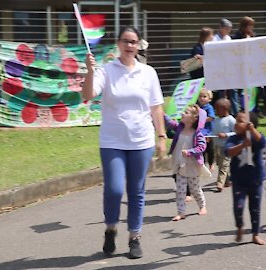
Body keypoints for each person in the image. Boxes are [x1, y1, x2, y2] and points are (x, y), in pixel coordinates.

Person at [82, 26, 167, 259]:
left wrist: (161, 136)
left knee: (136, 191)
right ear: (118, 44)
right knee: (114, 189)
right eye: (126, 41)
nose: (130, 46)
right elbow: (87, 95)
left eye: (134, 42)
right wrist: (90, 71)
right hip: (112, 140)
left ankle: (134, 237)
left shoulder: (148, 72)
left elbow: (156, 107)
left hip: (142, 140)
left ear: (139, 45)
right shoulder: (106, 70)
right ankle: (110, 228)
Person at [225, 111, 266, 245]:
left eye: (240, 121)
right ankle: (239, 226)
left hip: (256, 179)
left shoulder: (255, 137)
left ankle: (255, 234)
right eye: (236, 120)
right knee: (239, 206)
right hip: (239, 180)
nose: (236, 124)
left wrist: (252, 130)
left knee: (255, 207)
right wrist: (243, 145)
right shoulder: (233, 139)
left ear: (250, 124)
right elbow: (228, 152)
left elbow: (262, 143)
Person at [165, 104, 208, 221]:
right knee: (180, 189)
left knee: (195, 189)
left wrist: (190, 151)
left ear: (194, 119)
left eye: (186, 112)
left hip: (192, 165)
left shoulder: (197, 133)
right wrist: (160, 112)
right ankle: (181, 212)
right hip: (180, 164)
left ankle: (202, 205)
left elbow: (202, 147)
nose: (183, 113)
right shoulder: (179, 128)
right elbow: (169, 122)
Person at [211, 98, 236, 192]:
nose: (216, 111)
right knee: (219, 163)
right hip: (217, 145)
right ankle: (227, 180)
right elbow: (214, 130)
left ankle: (219, 184)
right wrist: (210, 136)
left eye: (218, 109)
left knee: (223, 165)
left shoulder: (230, 120)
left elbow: (236, 132)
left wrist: (226, 135)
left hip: (226, 146)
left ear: (225, 109)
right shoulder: (216, 119)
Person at [198, 88, 215, 171]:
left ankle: (211, 164)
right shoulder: (197, 108)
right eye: (200, 96)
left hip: (208, 132)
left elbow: (211, 118)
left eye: (204, 96)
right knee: (201, 148)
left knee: (210, 149)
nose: (202, 98)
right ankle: (202, 165)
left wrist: (202, 119)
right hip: (200, 132)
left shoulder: (209, 108)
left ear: (209, 99)